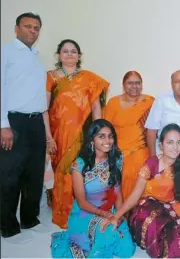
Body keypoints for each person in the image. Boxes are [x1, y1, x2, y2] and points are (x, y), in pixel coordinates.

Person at [103, 123, 180, 258]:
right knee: (151, 222)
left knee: (178, 240)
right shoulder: (151, 164)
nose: (175, 147)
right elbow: (135, 195)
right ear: (161, 145)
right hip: (149, 205)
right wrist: (116, 216)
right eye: (170, 142)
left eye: (178, 143)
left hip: (177, 205)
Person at [44, 39, 110, 229]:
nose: (70, 54)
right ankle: (64, 213)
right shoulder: (50, 77)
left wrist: (98, 134)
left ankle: (84, 210)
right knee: (63, 172)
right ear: (58, 55)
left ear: (79, 56)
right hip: (59, 135)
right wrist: (48, 136)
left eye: (74, 51)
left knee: (82, 170)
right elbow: (44, 109)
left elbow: (96, 105)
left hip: (84, 133)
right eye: (65, 51)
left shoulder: (88, 78)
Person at [50, 119, 135, 258]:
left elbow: (117, 192)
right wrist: (105, 215)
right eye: (101, 136)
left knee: (126, 251)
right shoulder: (79, 165)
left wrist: (118, 215)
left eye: (110, 136)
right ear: (92, 140)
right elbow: (82, 202)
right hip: (86, 213)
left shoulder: (117, 158)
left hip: (110, 210)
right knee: (108, 233)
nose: (108, 140)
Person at [0, 12, 48, 243]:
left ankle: (30, 219)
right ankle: (7, 225)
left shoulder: (37, 56)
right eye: (28, 26)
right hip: (14, 121)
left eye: (36, 27)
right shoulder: (6, 52)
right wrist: (3, 125)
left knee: (34, 173)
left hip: (36, 121)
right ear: (16, 28)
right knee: (10, 174)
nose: (33, 31)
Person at [104, 71, 155, 199]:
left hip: (140, 150)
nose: (134, 86)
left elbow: (155, 129)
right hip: (116, 151)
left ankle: (137, 213)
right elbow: (105, 130)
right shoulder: (113, 103)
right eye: (130, 83)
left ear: (142, 85)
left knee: (137, 172)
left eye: (137, 83)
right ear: (123, 85)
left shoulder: (149, 102)